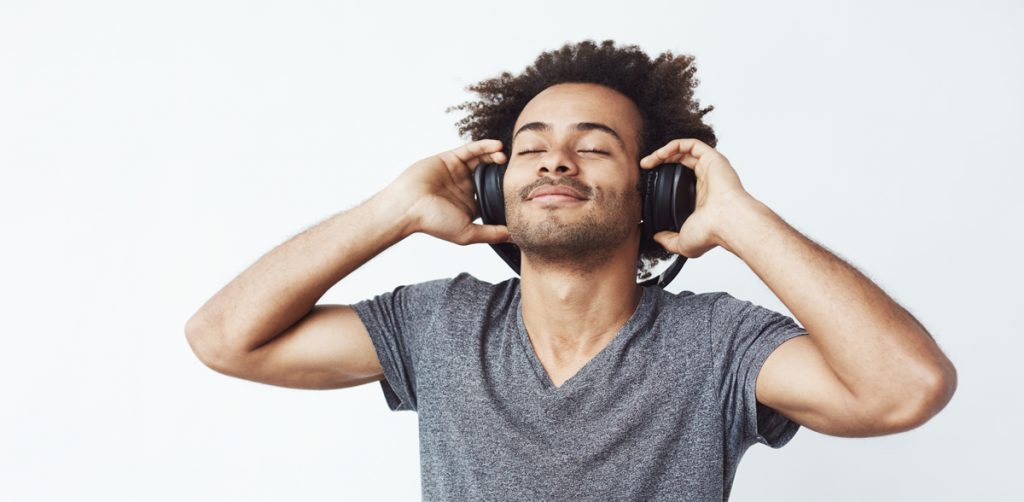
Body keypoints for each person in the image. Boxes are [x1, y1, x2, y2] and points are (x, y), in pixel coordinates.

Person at [184, 40, 958, 501]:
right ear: (495, 186)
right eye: (531, 146)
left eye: (594, 145)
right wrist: (392, 208)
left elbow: (904, 389)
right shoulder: (437, 326)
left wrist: (742, 221)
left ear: (656, 190)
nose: (556, 157)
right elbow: (225, 338)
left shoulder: (720, 344)